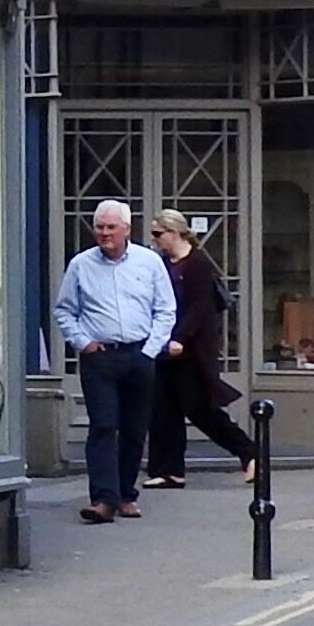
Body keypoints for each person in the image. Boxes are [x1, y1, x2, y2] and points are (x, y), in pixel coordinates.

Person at [51, 198, 175, 522]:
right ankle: (103, 500)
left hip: (138, 354)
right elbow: (64, 310)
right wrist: (83, 342)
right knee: (104, 426)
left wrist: (150, 350)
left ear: (127, 229)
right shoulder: (81, 264)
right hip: (100, 358)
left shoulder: (149, 262)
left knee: (134, 429)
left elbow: (165, 309)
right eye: (99, 227)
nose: (105, 233)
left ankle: (125, 494)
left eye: (111, 227)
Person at [143, 209, 259, 487]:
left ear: (175, 232)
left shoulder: (197, 263)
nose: (154, 239)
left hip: (191, 349)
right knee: (163, 409)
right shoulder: (161, 264)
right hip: (163, 346)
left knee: (200, 409)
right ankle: (168, 469)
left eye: (158, 233)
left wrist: (180, 338)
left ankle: (250, 453)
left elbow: (199, 307)